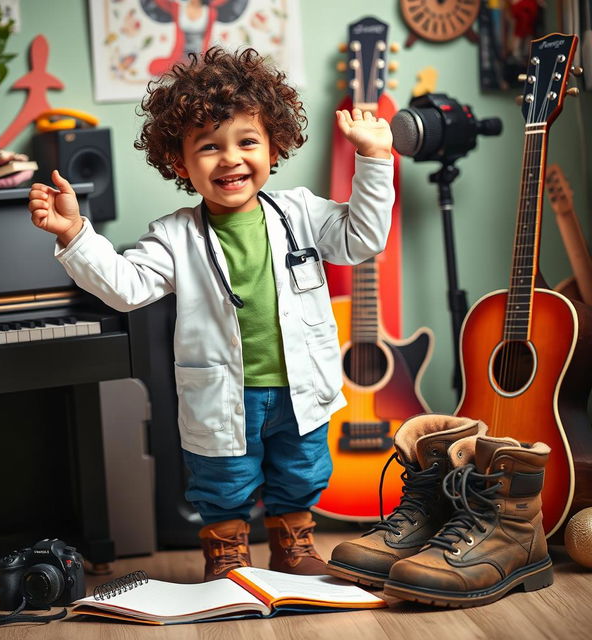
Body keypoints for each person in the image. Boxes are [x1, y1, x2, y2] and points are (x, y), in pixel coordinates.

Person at [28, 47, 394, 581]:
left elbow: (364, 238)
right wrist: (75, 235)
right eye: (208, 147)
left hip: (300, 386)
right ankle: (227, 554)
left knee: (303, 469)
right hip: (225, 394)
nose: (230, 159)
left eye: (247, 141)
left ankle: (293, 543)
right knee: (223, 479)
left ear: (274, 146)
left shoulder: (301, 213)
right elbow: (127, 288)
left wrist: (375, 159)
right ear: (180, 162)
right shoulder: (174, 235)